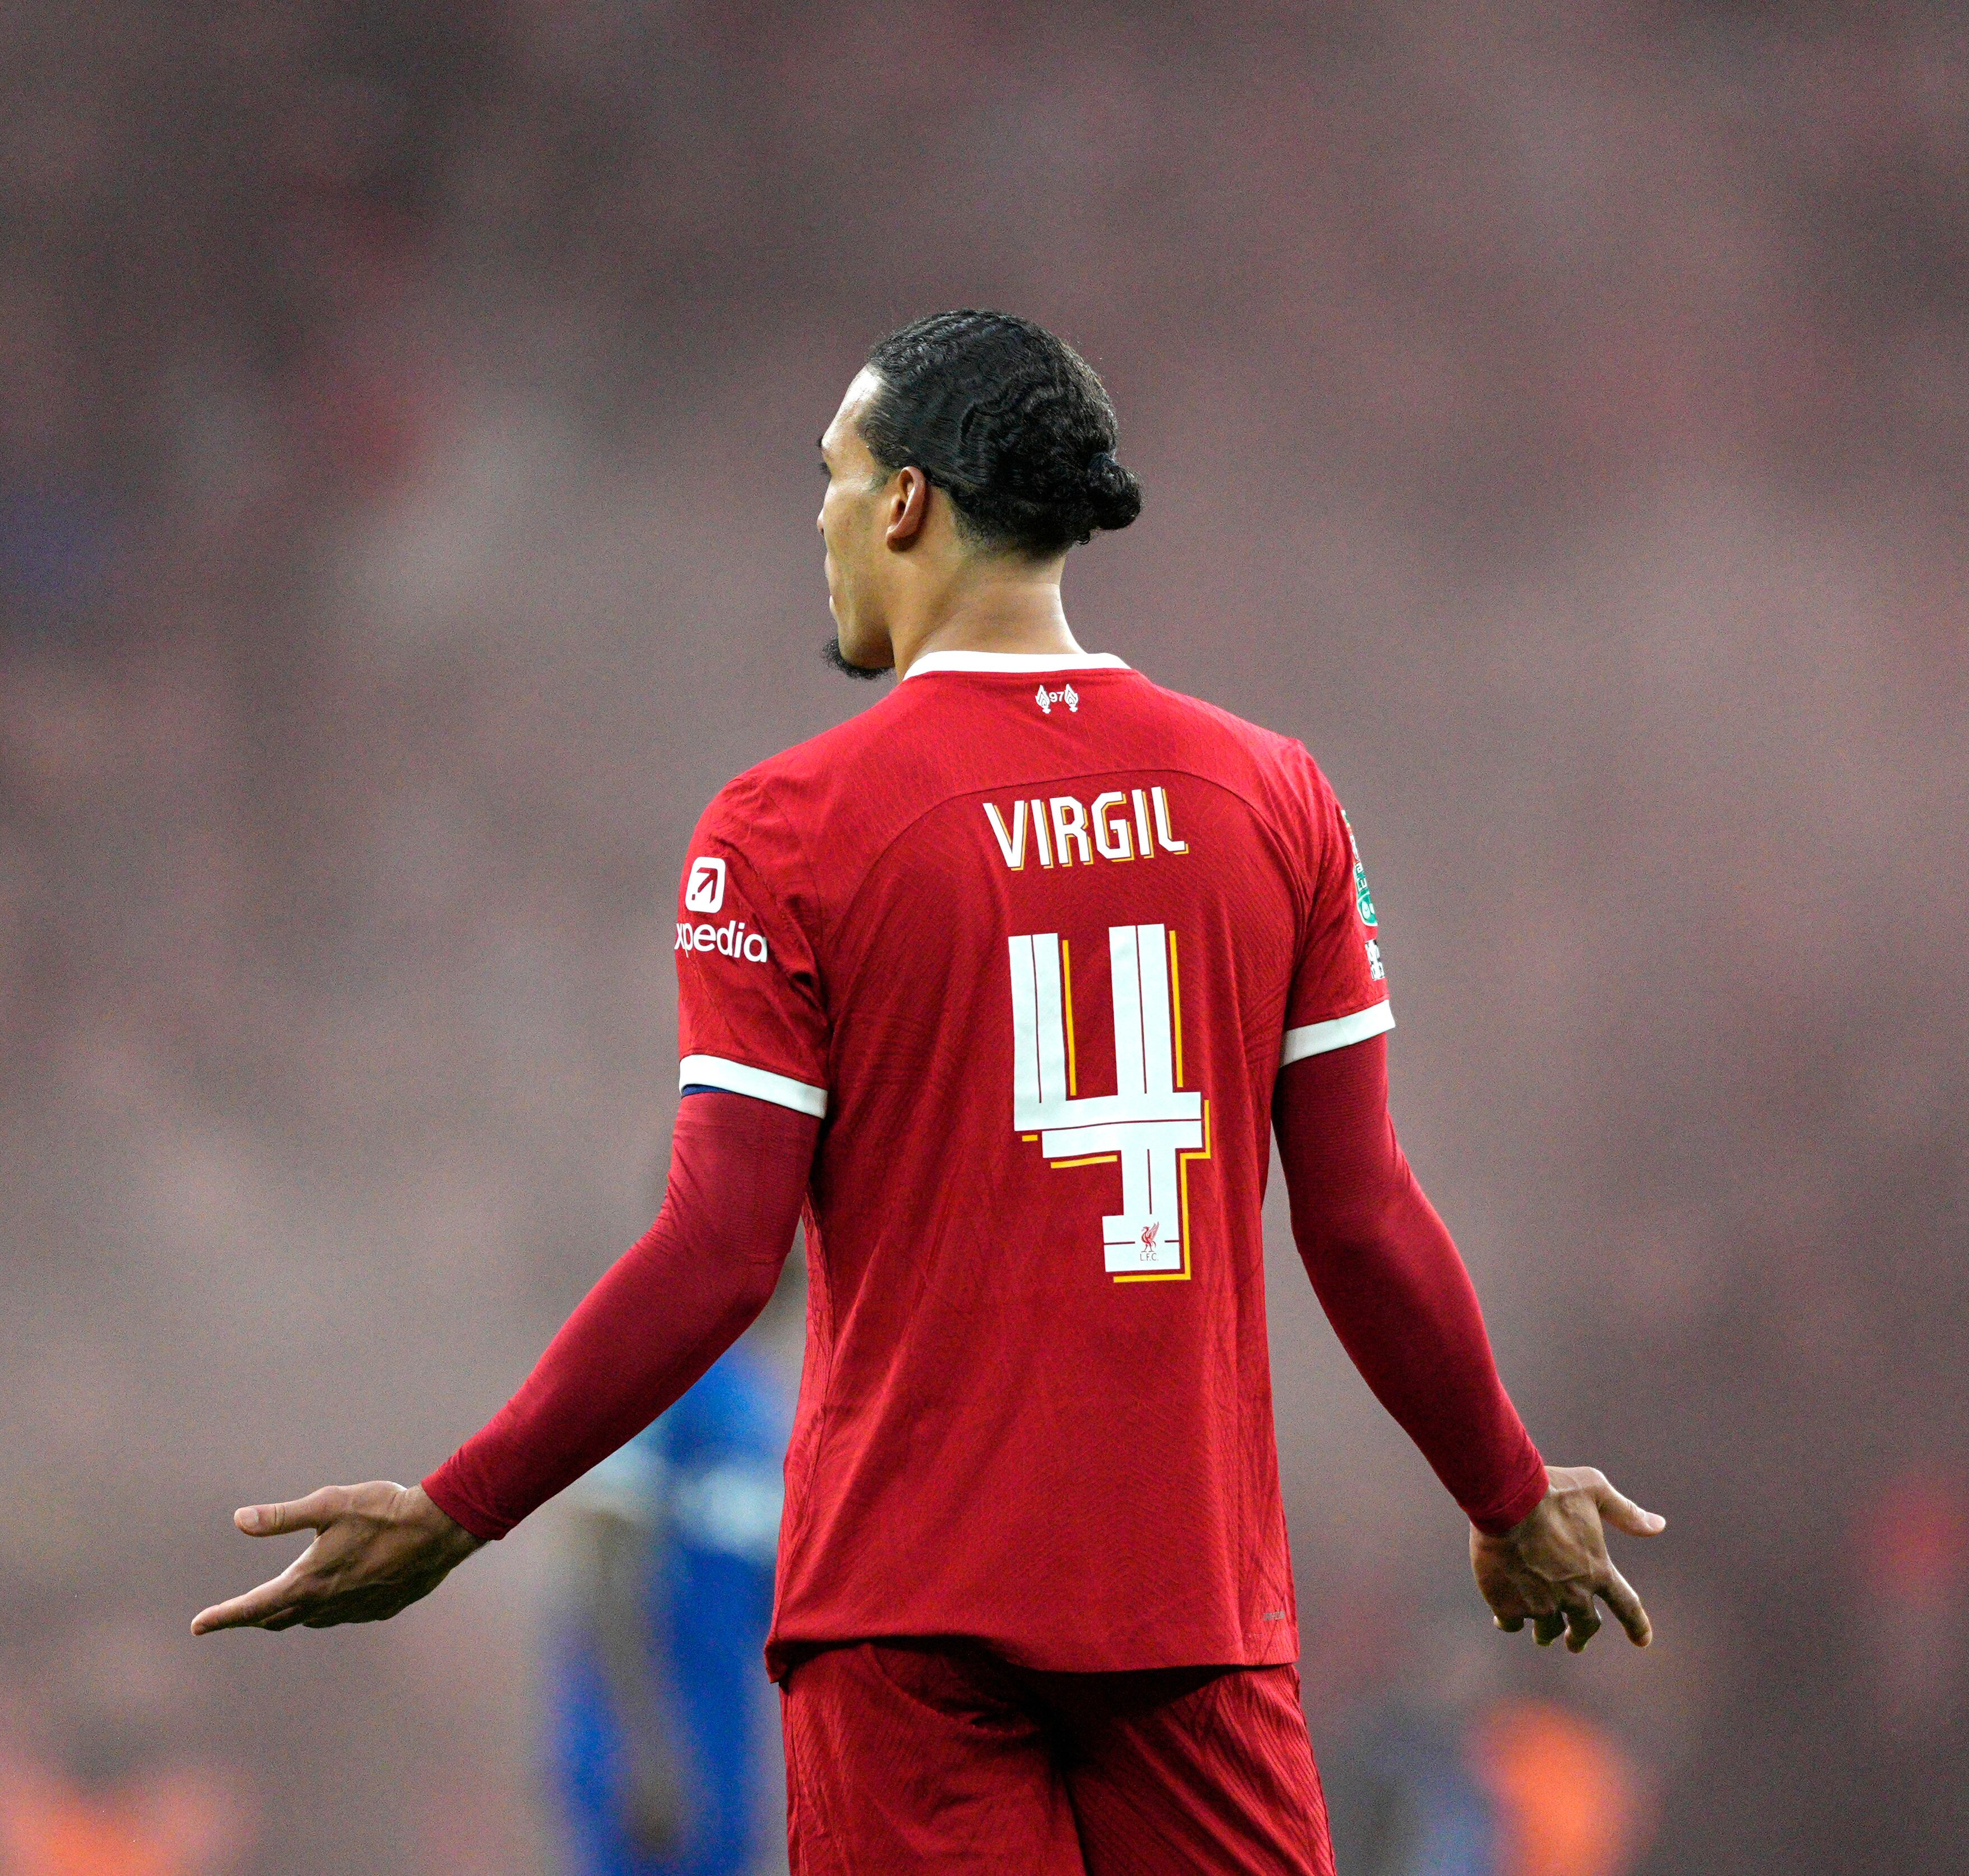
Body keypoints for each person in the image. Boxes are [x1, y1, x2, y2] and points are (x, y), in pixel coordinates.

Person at [195, 310, 1663, 1873]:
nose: (818, 519)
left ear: (907, 504)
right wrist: (1503, 1489)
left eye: (832, 476)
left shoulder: (783, 830)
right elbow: (1361, 1219)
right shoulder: (1276, 796)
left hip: (906, 1633)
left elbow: (717, 1252)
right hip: (1196, 1614)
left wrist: (458, 1505)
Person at [554, 1336, 793, 1876]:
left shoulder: (757, 1402)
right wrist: (645, 1748)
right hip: (648, 1761)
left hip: (722, 1754)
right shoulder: (661, 1376)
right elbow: (604, 1571)